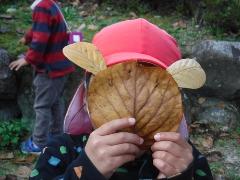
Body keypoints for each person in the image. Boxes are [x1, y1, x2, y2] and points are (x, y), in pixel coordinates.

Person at [29, 18, 213, 179]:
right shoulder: (63, 151)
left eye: (152, 94)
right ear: (87, 96)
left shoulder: (184, 158)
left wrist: (182, 176)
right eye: (113, 91)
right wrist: (86, 171)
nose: (132, 114)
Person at [9, 0, 75, 154]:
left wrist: (27, 59)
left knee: (42, 106)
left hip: (49, 69)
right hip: (62, 65)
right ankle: (57, 135)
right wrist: (27, 37)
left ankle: (39, 142)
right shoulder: (51, 4)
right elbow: (40, 28)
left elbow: (41, 39)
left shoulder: (42, 7)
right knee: (55, 102)